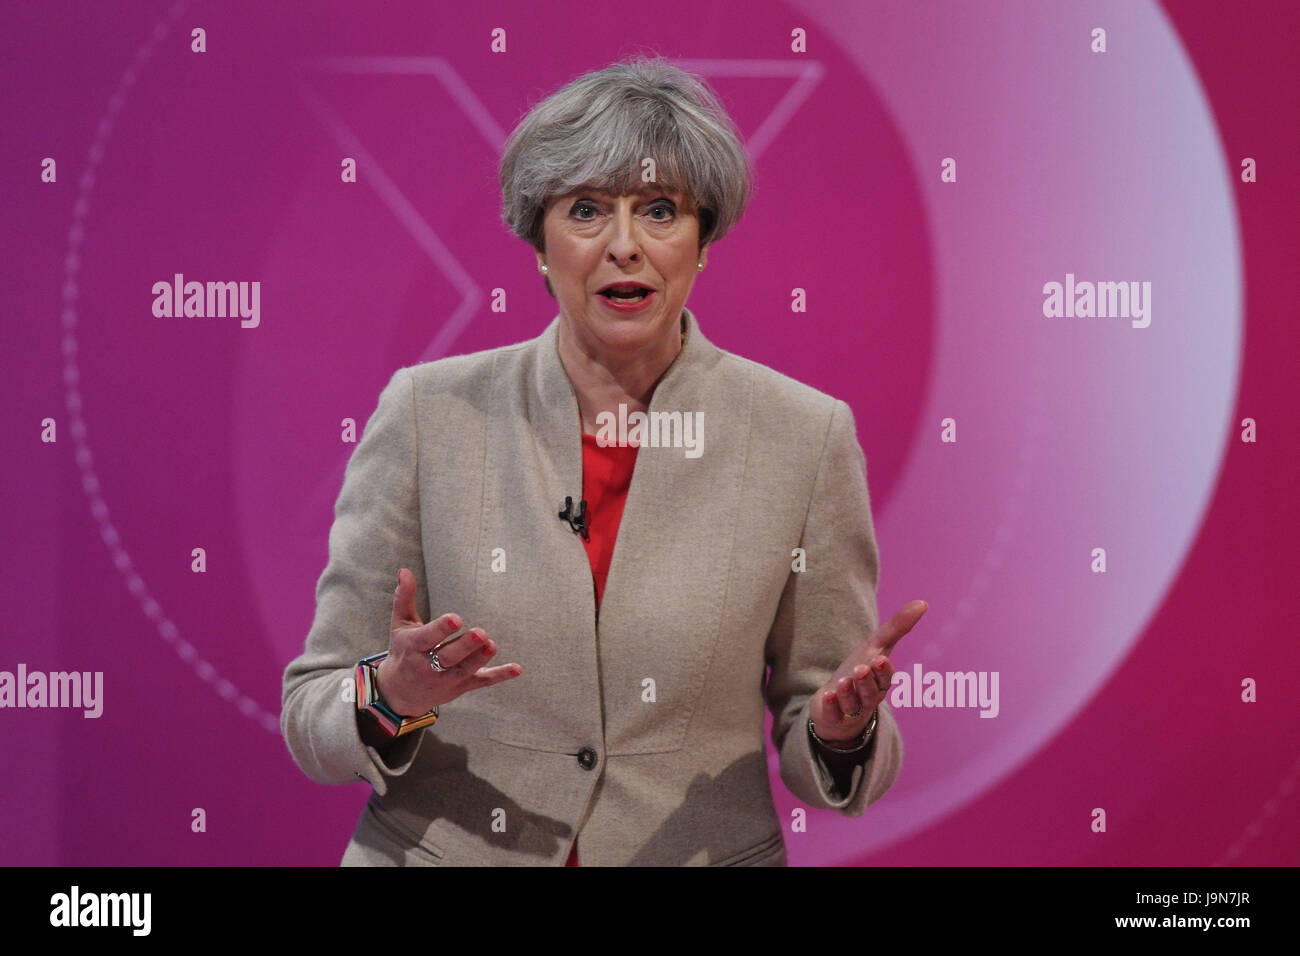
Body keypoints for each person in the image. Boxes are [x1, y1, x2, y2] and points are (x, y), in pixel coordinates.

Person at [280, 55, 928, 866]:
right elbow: (313, 712)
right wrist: (389, 698)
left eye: (660, 211)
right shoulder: (428, 413)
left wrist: (840, 731)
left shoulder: (803, 435)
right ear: (540, 244)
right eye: (587, 210)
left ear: (702, 243)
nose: (625, 246)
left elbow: (816, 717)